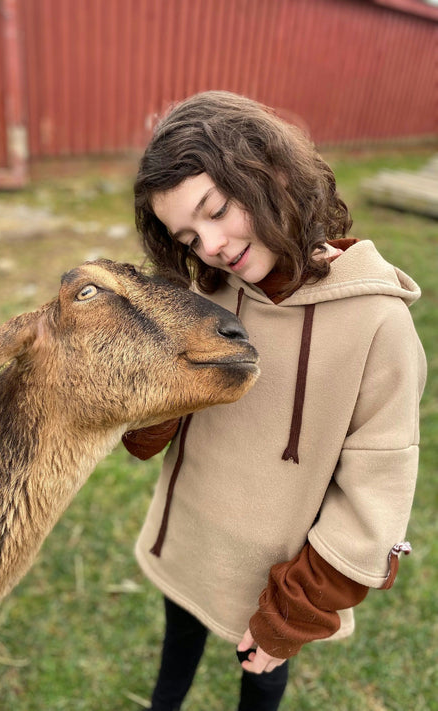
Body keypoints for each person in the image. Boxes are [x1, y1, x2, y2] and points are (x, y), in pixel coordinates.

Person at [122, 91, 426, 711]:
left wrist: (291, 616)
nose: (208, 244)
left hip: (268, 586)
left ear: (271, 173)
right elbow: (147, 432)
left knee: (258, 683)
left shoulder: (380, 326)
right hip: (185, 542)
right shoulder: (212, 293)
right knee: (173, 651)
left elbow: (375, 494)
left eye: (217, 209)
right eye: (187, 234)